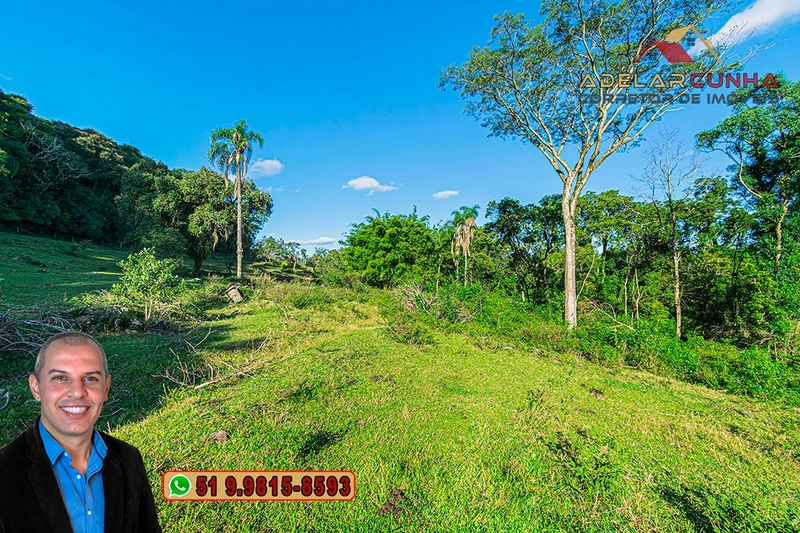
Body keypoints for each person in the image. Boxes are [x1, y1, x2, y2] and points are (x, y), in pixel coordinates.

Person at [0, 331, 161, 533]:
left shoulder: (129, 459)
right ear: (36, 387)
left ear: (106, 388)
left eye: (91, 378)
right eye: (60, 377)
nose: (77, 392)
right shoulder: (4, 471)